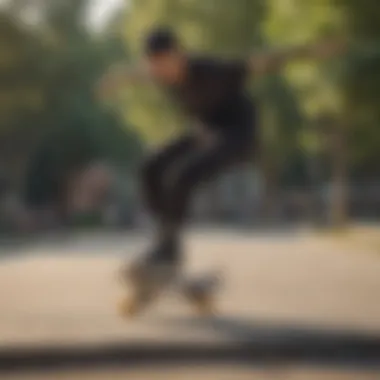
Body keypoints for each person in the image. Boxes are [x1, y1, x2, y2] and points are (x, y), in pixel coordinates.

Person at [98, 27, 345, 307]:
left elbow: (263, 61)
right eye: (155, 67)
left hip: (238, 136)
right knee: (151, 167)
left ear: (180, 55)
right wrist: (117, 79)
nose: (162, 73)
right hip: (206, 133)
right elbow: (138, 74)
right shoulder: (158, 73)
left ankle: (166, 252)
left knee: (181, 176)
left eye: (165, 64)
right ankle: (166, 248)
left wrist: (311, 51)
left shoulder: (213, 70)